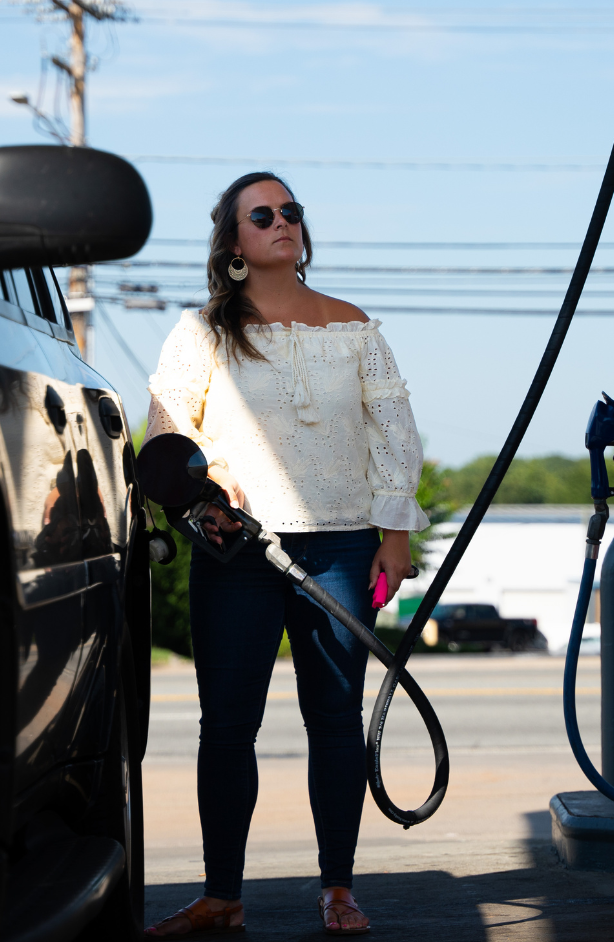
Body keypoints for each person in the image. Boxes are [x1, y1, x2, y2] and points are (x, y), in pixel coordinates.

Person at [142, 172, 429, 937]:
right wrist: (208, 490)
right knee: (228, 726)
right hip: (238, 551)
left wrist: (394, 536)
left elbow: (394, 438)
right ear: (234, 242)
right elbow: (166, 435)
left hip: (340, 546)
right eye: (262, 214)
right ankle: (222, 895)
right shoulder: (200, 332)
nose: (283, 222)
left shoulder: (354, 327)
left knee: (334, 722)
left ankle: (338, 888)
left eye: (291, 211)